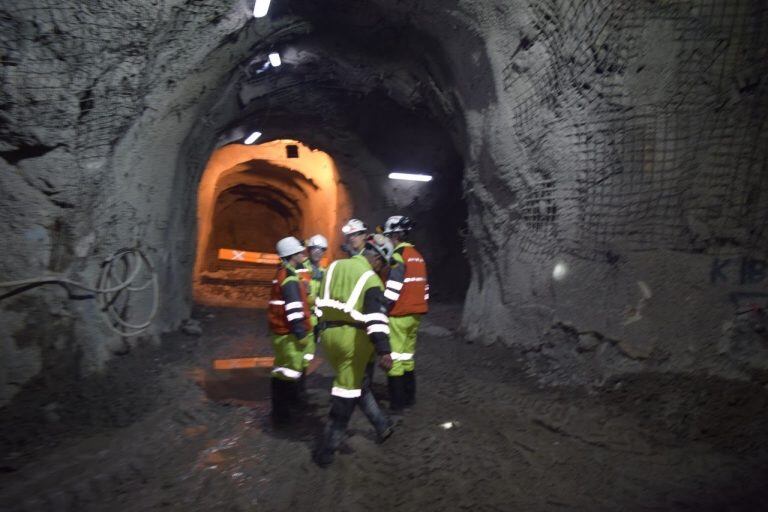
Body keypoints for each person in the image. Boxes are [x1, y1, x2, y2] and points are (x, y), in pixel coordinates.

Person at [313, 234, 395, 466]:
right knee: (346, 393)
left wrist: (319, 330)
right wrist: (383, 349)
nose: (381, 268)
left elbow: (319, 300)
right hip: (353, 341)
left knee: (358, 385)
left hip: (329, 337)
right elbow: (376, 318)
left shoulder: (334, 266)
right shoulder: (371, 279)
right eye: (382, 263)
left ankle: (382, 426)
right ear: (377, 258)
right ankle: (327, 449)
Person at [381, 216, 429, 411]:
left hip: (399, 313)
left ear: (395, 235)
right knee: (407, 356)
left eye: (389, 237)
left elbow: (393, 288)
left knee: (394, 360)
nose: (387, 241)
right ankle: (410, 397)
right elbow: (424, 286)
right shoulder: (417, 255)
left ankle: (397, 403)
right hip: (416, 313)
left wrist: (383, 307)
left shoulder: (398, 256)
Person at [268, 236, 312, 425]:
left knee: (282, 371)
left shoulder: (282, 273)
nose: (303, 254)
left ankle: (282, 411)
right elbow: (294, 309)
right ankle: (282, 415)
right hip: (288, 333)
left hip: (280, 331)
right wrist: (300, 333)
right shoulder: (289, 278)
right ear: (291, 255)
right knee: (287, 374)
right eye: (299, 252)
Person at [300, 234, 328, 378]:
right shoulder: (302, 269)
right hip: (302, 317)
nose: (318, 252)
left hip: (315, 320)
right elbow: (303, 295)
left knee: (309, 355)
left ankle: (301, 384)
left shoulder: (324, 272)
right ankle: (296, 386)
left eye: (321, 249)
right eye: (315, 249)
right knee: (299, 353)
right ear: (309, 250)